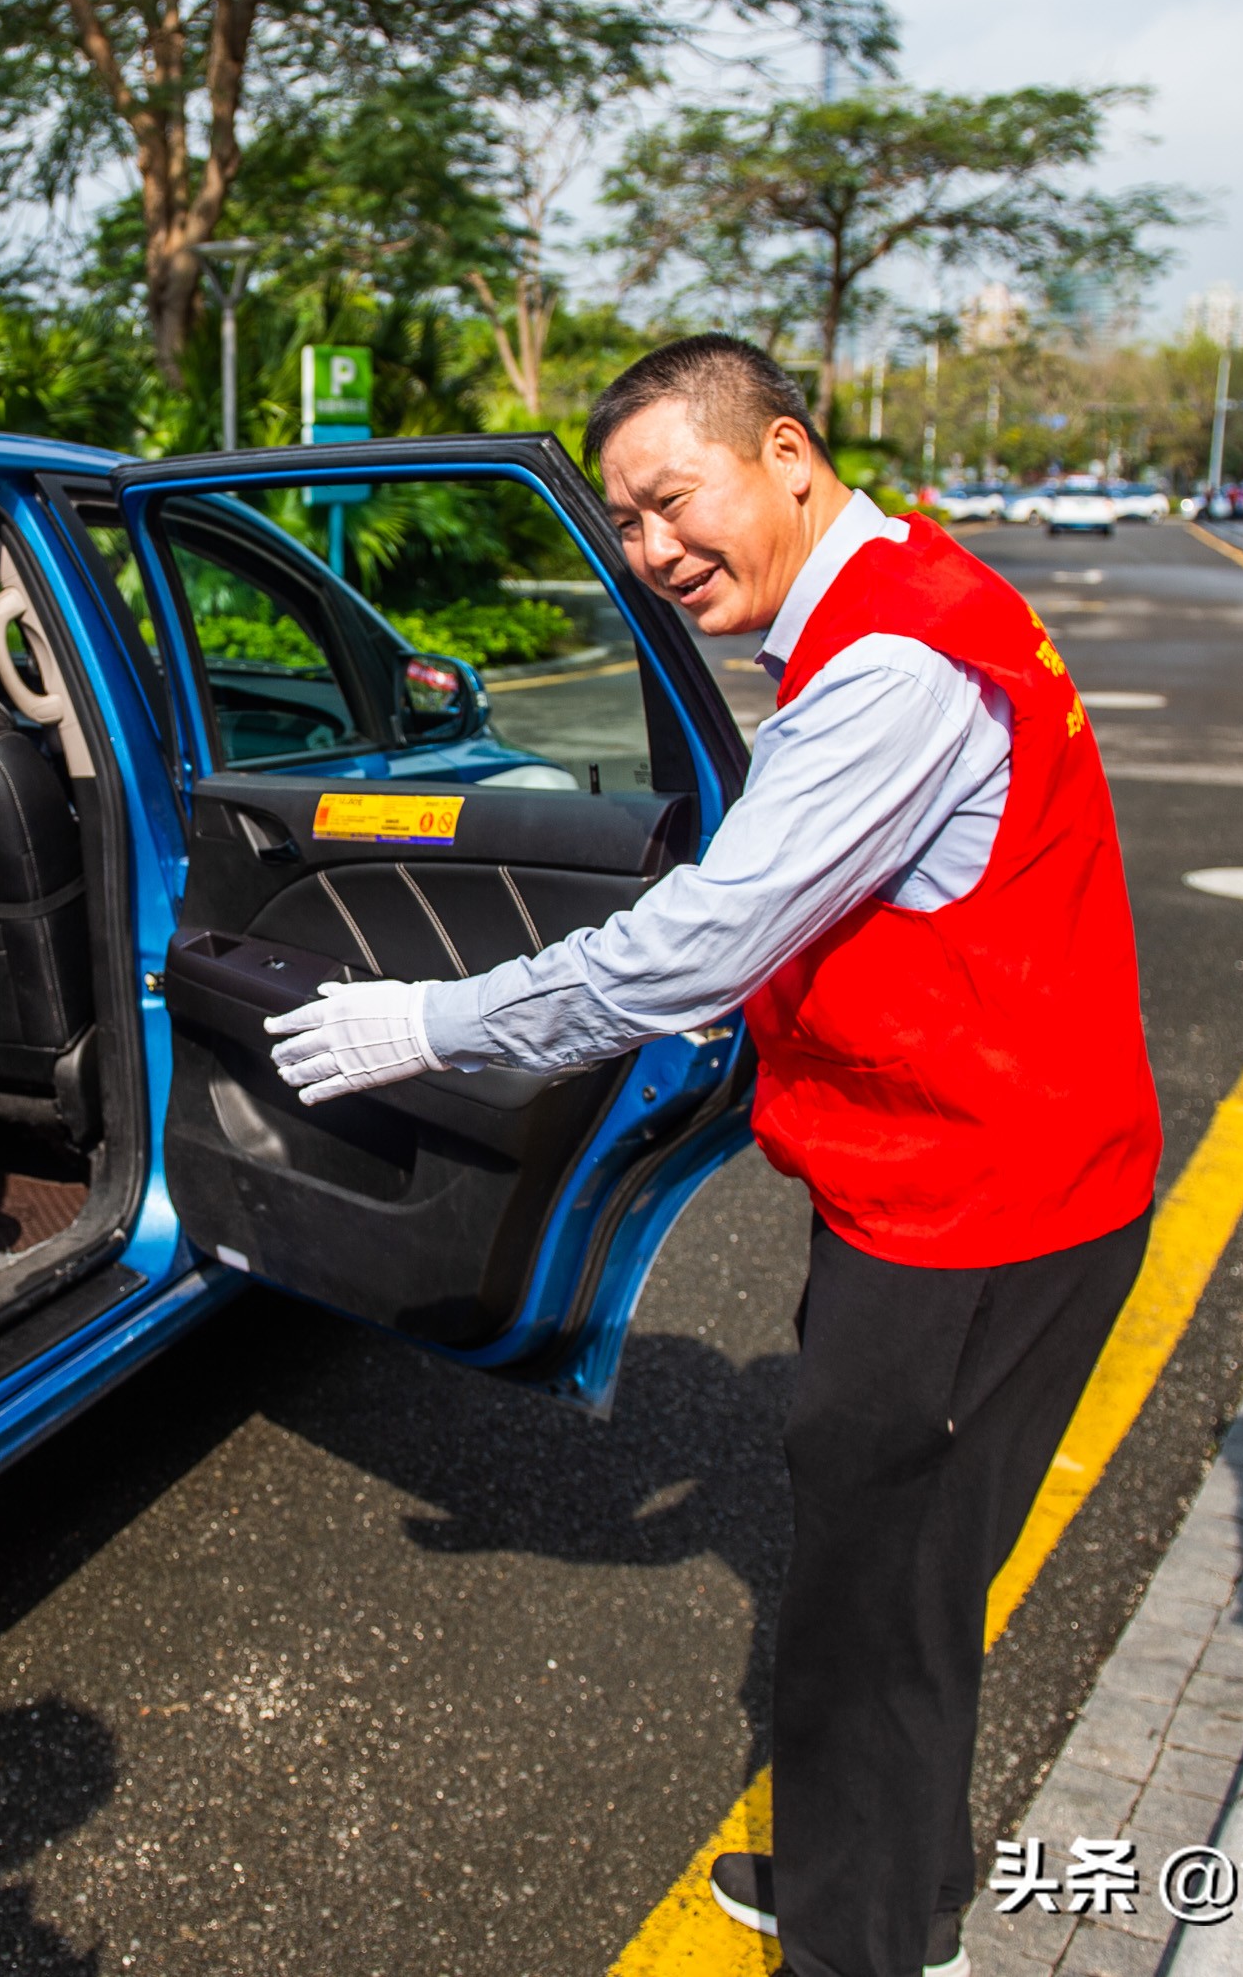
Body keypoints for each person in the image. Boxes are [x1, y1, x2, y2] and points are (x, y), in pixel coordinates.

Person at [267, 335, 1160, 1977]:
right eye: (624, 523)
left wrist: (437, 1024)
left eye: (673, 502)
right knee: (865, 1571)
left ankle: (870, 1945)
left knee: (885, 1600)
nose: (653, 551)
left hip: (983, 1207)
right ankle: (853, 1874)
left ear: (790, 455)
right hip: (949, 1174)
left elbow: (704, 940)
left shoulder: (892, 666)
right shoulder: (896, 594)